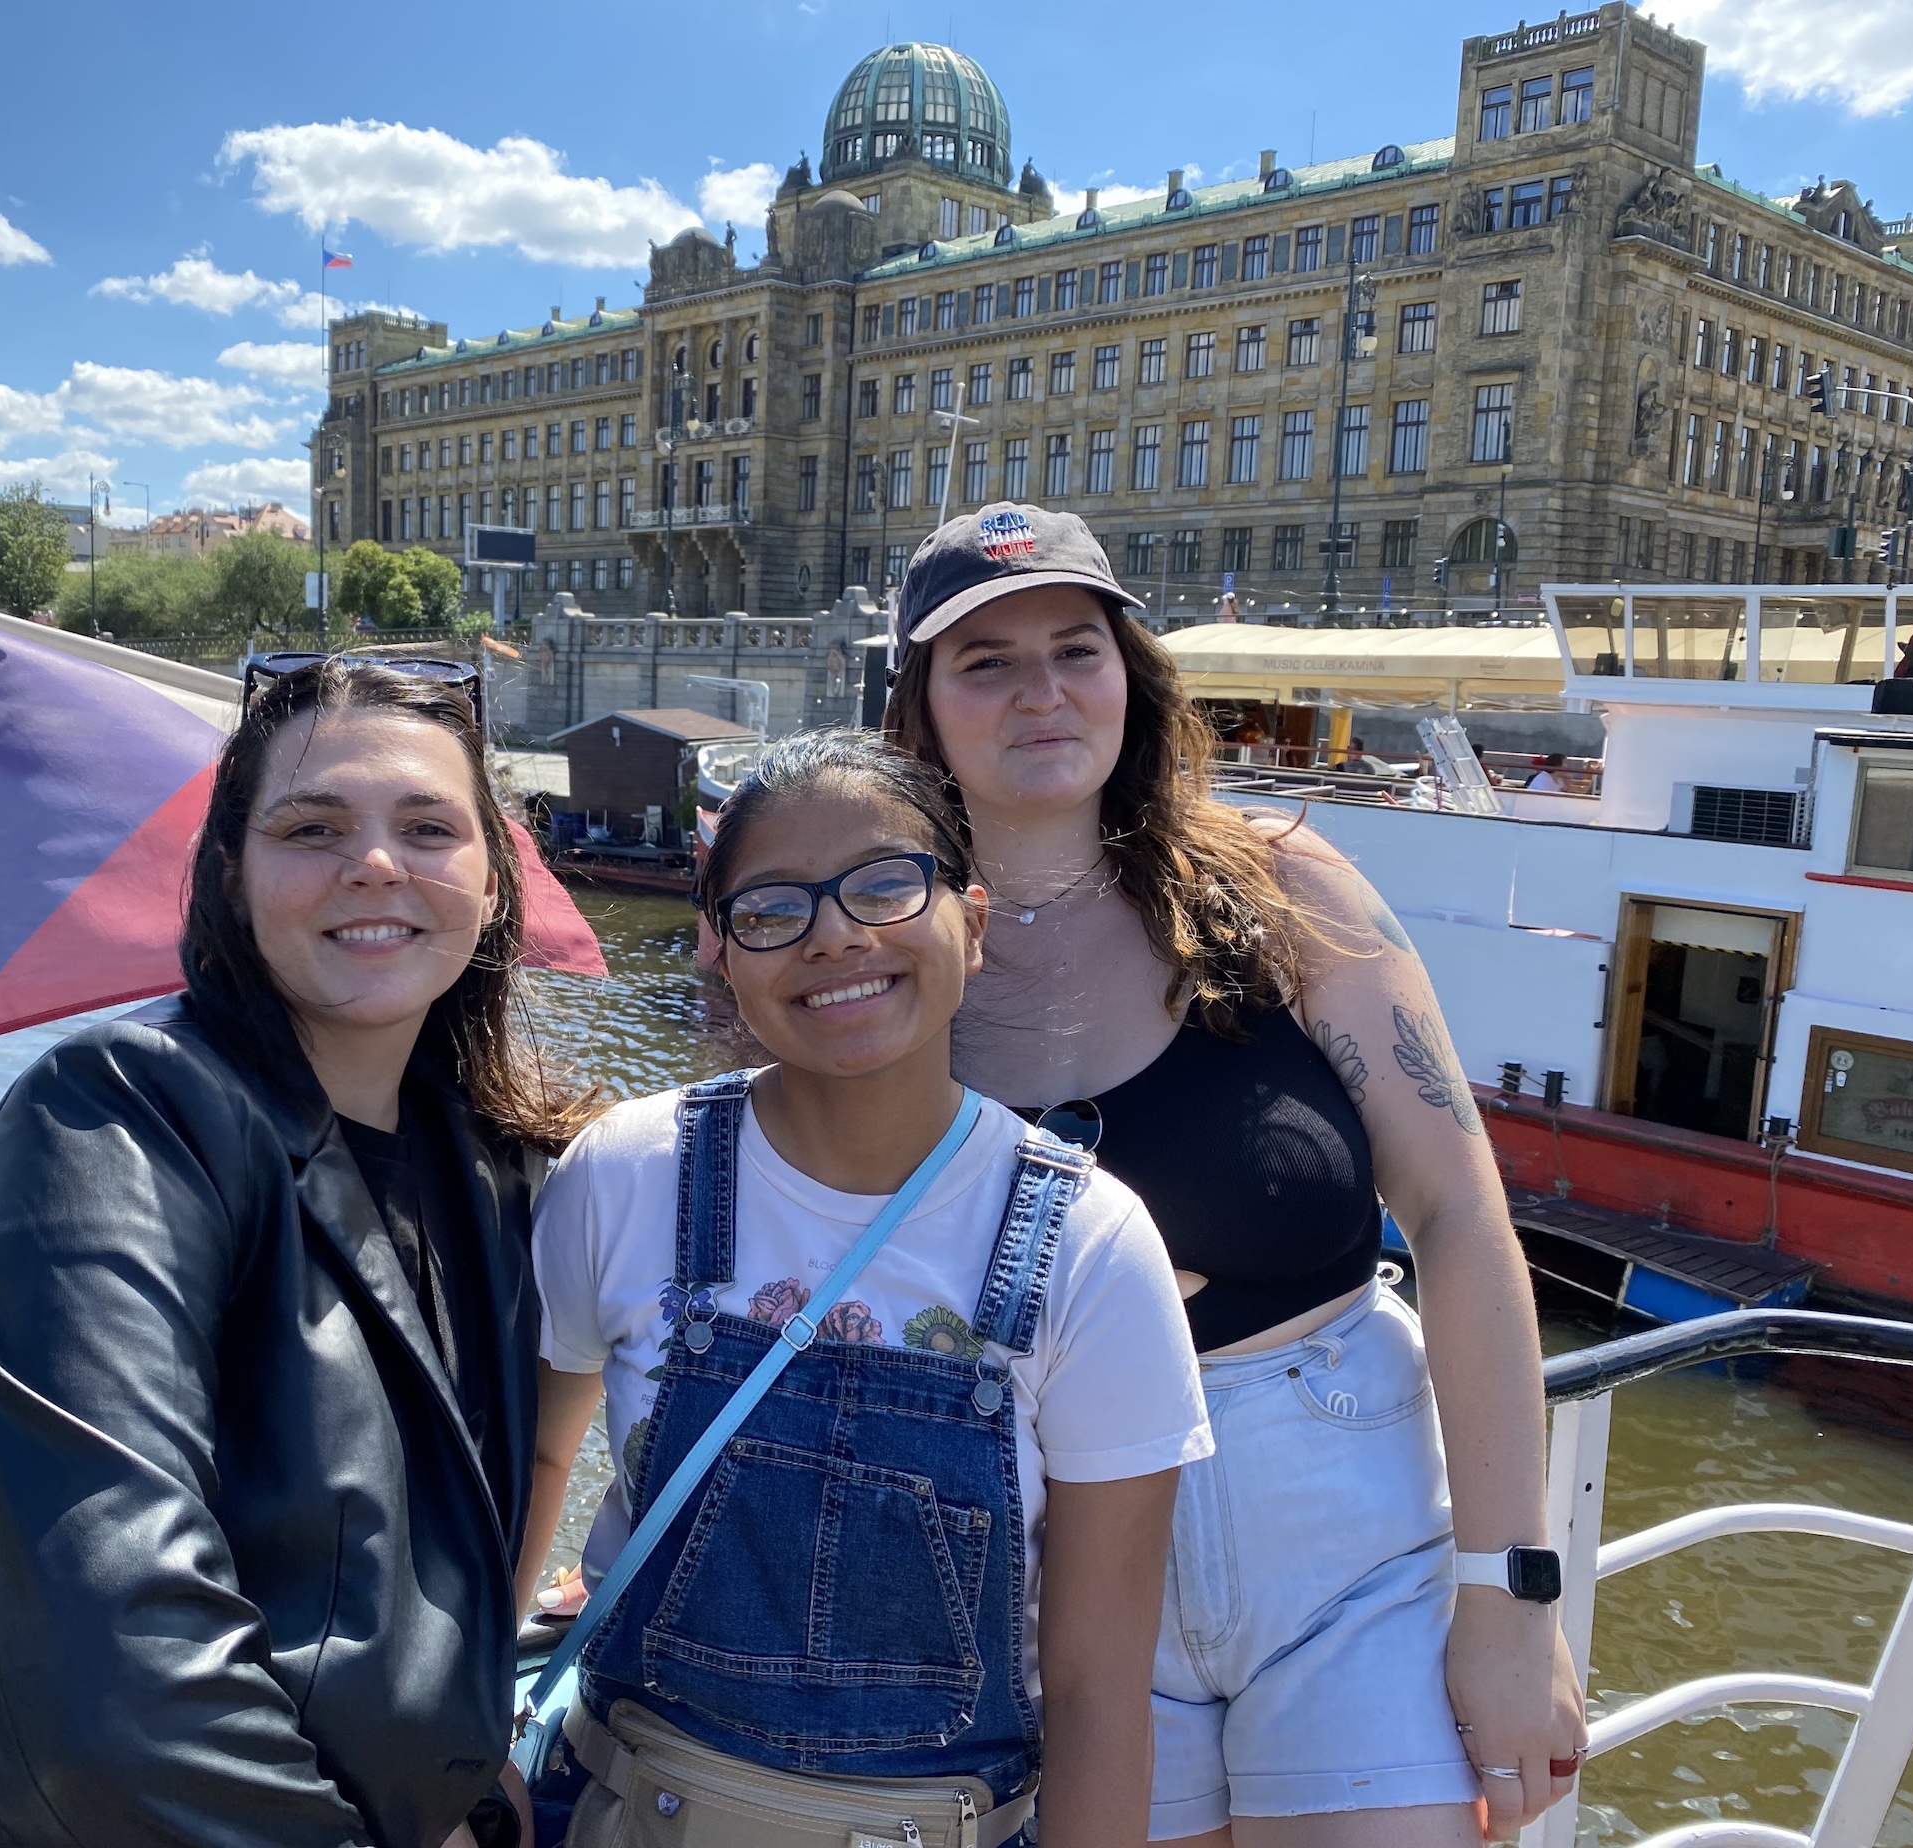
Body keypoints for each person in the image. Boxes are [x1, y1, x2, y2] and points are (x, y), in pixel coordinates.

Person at [0, 656, 592, 1848]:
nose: (375, 864)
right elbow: (114, 1658)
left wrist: (456, 1769)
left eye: (427, 827)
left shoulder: (495, 1168)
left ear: (495, 887)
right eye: (311, 827)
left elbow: (432, 1570)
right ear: (228, 875)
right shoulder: (116, 1119)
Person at [883, 504, 1585, 1848]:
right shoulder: (890, 948)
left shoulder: (1281, 890)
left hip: (1346, 1519)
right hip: (1054, 1541)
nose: (1042, 692)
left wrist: (1509, 1593)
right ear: (920, 708)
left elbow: (1458, 1211)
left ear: (1129, 676)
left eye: (1075, 648)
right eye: (985, 662)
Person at [523, 731, 1209, 1848]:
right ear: (721, 952)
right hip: (625, 1812)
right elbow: (536, 1469)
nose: (836, 934)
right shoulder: (620, 1174)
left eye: (886, 885)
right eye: (772, 908)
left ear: (972, 924)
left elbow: (1095, 1688)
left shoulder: (1088, 1244)